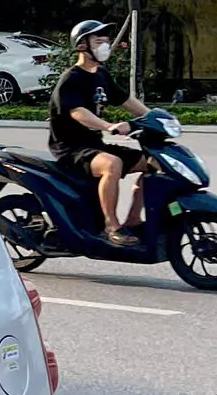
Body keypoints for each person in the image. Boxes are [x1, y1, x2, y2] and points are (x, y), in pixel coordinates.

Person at [48, 18, 148, 242]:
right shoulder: (71, 79)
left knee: (152, 162)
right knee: (112, 164)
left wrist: (155, 118)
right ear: (82, 46)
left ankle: (133, 220)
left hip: (94, 146)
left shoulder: (101, 75)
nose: (105, 44)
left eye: (106, 40)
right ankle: (111, 226)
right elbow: (78, 112)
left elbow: (127, 101)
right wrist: (109, 126)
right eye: (98, 40)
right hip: (70, 149)